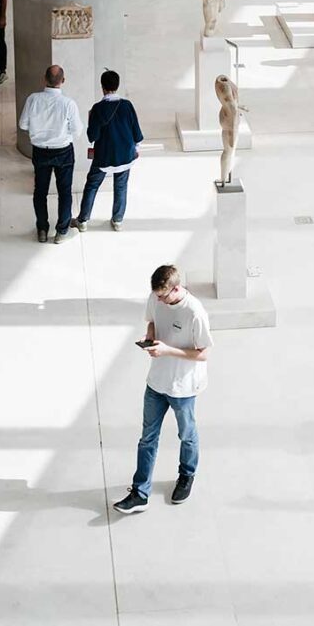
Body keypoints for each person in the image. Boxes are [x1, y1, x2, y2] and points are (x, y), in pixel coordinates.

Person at [113, 263, 213, 513]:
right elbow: (151, 322)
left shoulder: (195, 313)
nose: (159, 300)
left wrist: (167, 350)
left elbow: (204, 354)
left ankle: (186, 475)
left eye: (163, 296)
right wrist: (150, 338)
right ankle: (140, 493)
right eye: (157, 296)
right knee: (147, 438)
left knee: (187, 435)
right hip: (156, 382)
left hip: (183, 387)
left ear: (176, 288)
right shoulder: (156, 297)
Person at [18, 65, 83, 243]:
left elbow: (23, 125)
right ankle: (62, 231)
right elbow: (77, 131)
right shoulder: (68, 104)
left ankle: (42, 229)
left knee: (40, 191)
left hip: (40, 151)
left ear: (44, 79)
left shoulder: (33, 99)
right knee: (65, 192)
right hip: (63, 151)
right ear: (63, 81)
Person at [73, 70, 144, 231]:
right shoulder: (127, 105)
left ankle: (83, 220)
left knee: (92, 185)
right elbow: (137, 132)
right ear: (117, 86)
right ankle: (117, 220)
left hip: (104, 156)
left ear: (102, 87)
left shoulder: (97, 109)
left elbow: (93, 136)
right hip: (125, 155)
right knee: (121, 186)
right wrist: (136, 149)